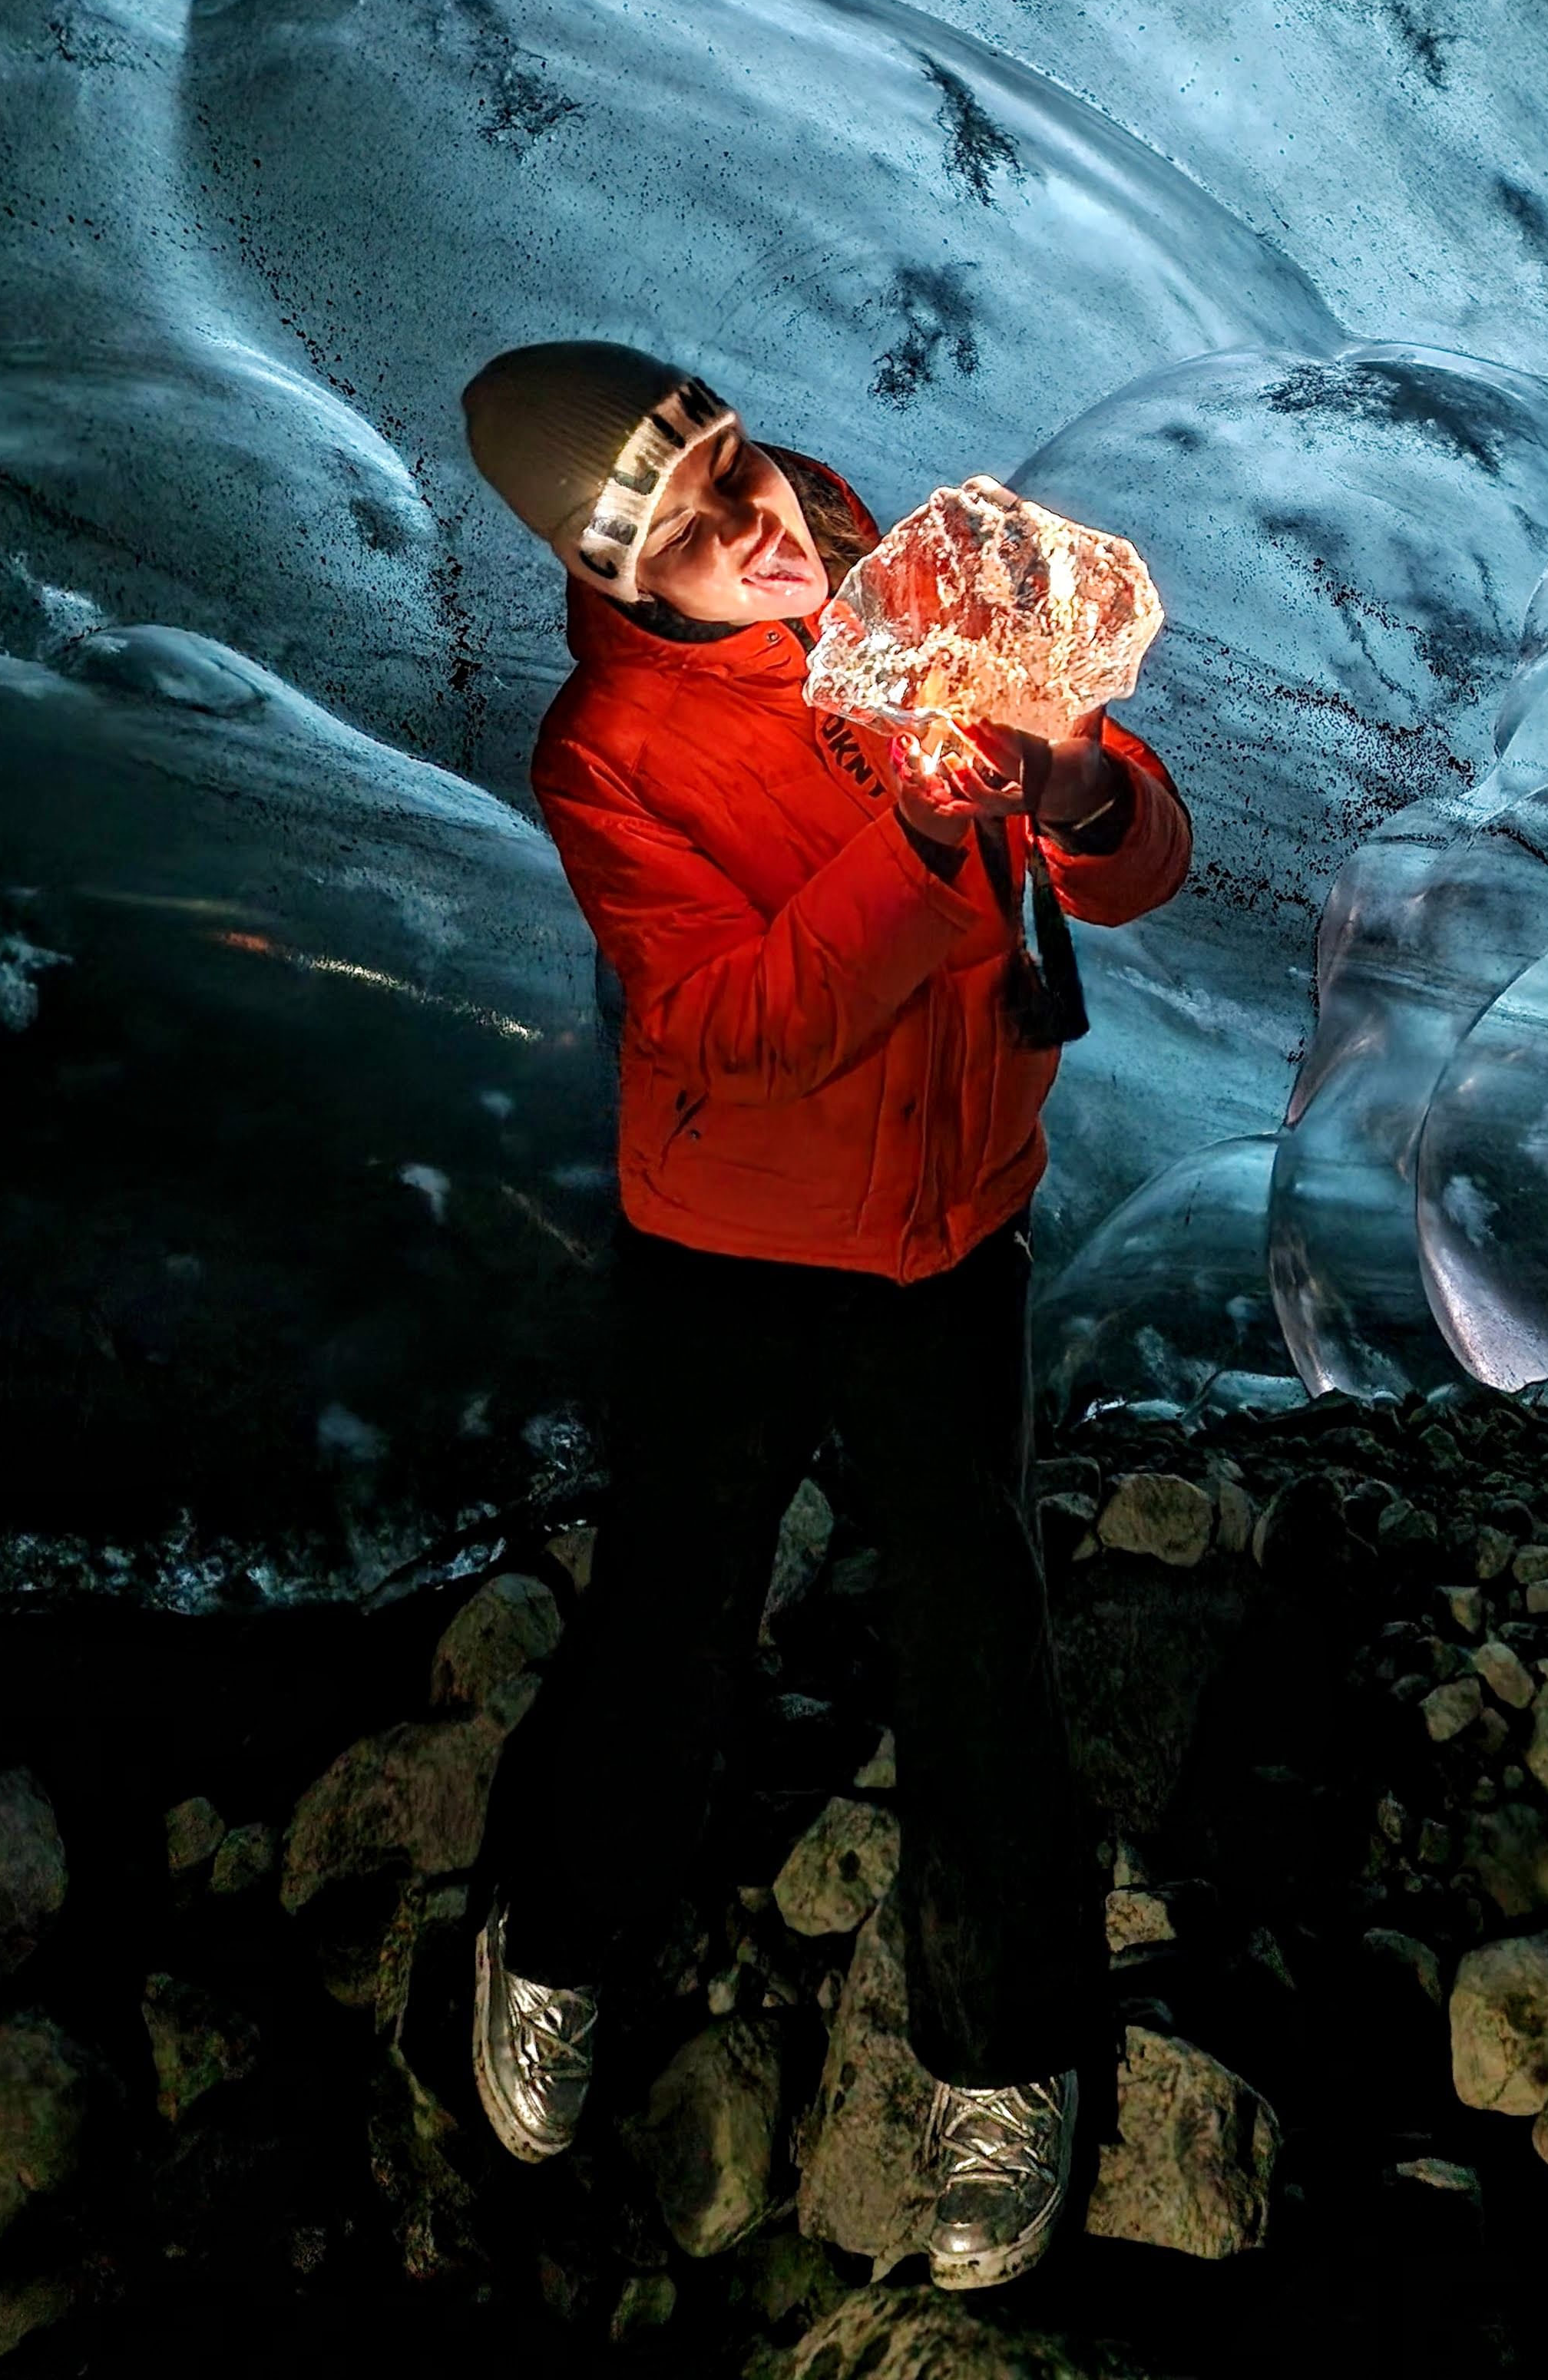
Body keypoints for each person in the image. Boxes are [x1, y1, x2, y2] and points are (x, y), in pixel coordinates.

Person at [455, 339, 1192, 2292]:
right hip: (734, 1245)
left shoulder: (918, 573)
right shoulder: (601, 753)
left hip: (953, 1233)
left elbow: (1134, 870)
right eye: (696, 526)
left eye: (735, 459)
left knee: (980, 1643)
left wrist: (1086, 784)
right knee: (672, 1621)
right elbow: (735, 1024)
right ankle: (553, 1931)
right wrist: (932, 837)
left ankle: (1010, 2051)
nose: (755, 516)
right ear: (626, 580)